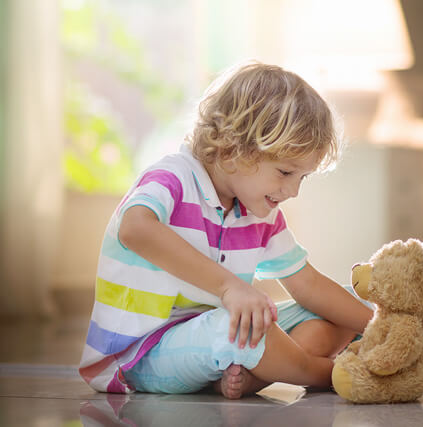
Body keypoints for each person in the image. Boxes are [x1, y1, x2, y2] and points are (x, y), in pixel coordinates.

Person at [79, 62, 373, 399]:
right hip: (140, 356)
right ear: (235, 149)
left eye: (301, 178)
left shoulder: (259, 211)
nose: (293, 192)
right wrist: (229, 287)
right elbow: (134, 228)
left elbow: (307, 285)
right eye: (285, 173)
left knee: (340, 310)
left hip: (211, 342)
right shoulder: (172, 178)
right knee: (237, 331)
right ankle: (334, 375)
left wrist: (383, 328)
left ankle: (254, 376)